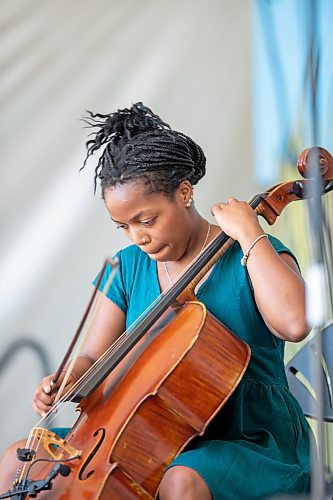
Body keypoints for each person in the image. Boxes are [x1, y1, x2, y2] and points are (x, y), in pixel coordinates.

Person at [0, 102, 311, 499]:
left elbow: (295, 323)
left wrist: (251, 234)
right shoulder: (128, 267)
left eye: (146, 220)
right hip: (147, 429)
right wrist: (67, 380)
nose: (136, 237)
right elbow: (93, 357)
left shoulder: (253, 252)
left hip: (250, 436)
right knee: (17, 461)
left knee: (180, 481)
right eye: (123, 226)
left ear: (184, 193)